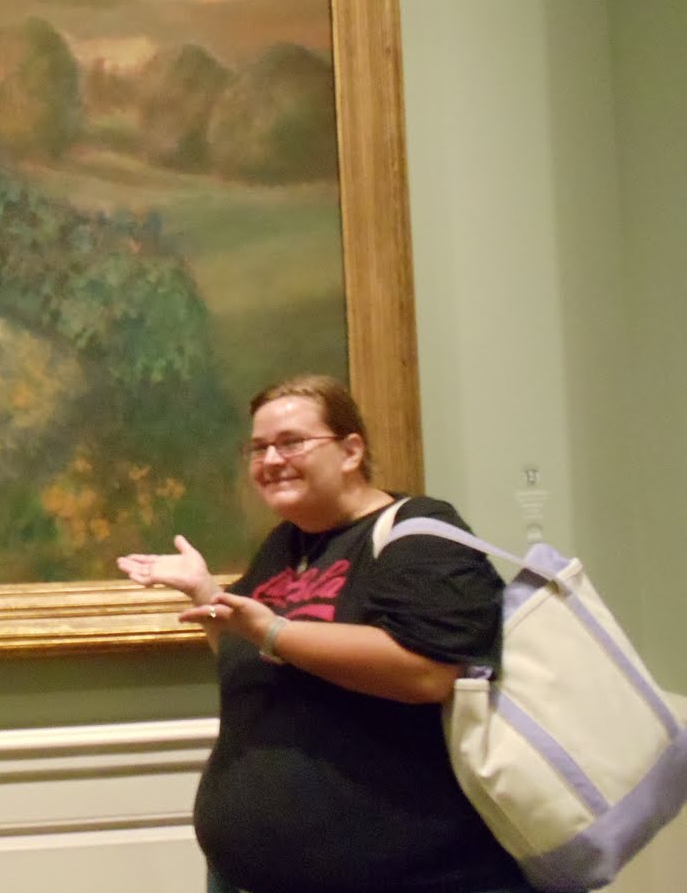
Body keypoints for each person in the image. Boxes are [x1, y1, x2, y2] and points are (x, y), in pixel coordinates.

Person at [116, 374, 533, 893]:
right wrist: (206, 595)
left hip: (410, 876)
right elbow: (258, 660)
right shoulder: (284, 545)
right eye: (258, 448)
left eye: (291, 442)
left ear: (351, 450)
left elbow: (428, 672)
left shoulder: (420, 533)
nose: (271, 460)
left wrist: (272, 630)